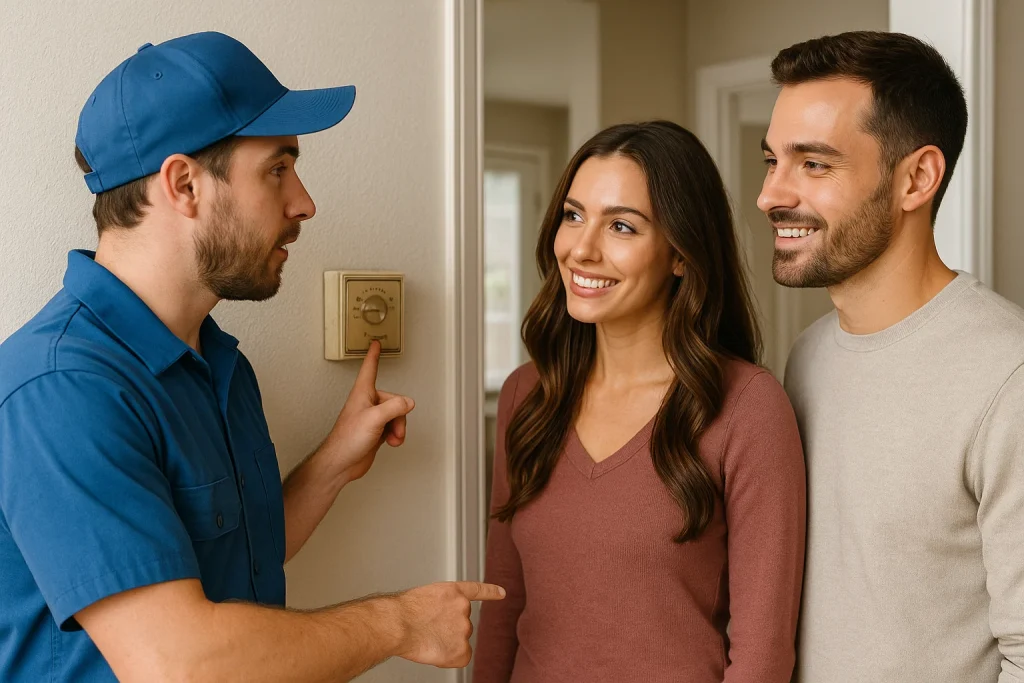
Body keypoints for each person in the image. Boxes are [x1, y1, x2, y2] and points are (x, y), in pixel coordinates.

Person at [0, 31, 504, 682]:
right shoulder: (63, 387)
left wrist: (332, 464)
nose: (305, 202)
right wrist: (400, 621)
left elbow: (234, 562)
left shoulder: (219, 365)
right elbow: (179, 663)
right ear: (183, 184)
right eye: (277, 168)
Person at [472, 120, 806, 683]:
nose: (581, 248)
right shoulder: (526, 396)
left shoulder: (748, 409)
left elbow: (762, 656)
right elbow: (503, 608)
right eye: (573, 215)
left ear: (680, 254)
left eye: (621, 226)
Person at [760, 31, 1024, 682]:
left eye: (813, 164)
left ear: (917, 178)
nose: (770, 194)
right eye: (771, 160)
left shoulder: (1007, 375)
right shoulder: (807, 358)